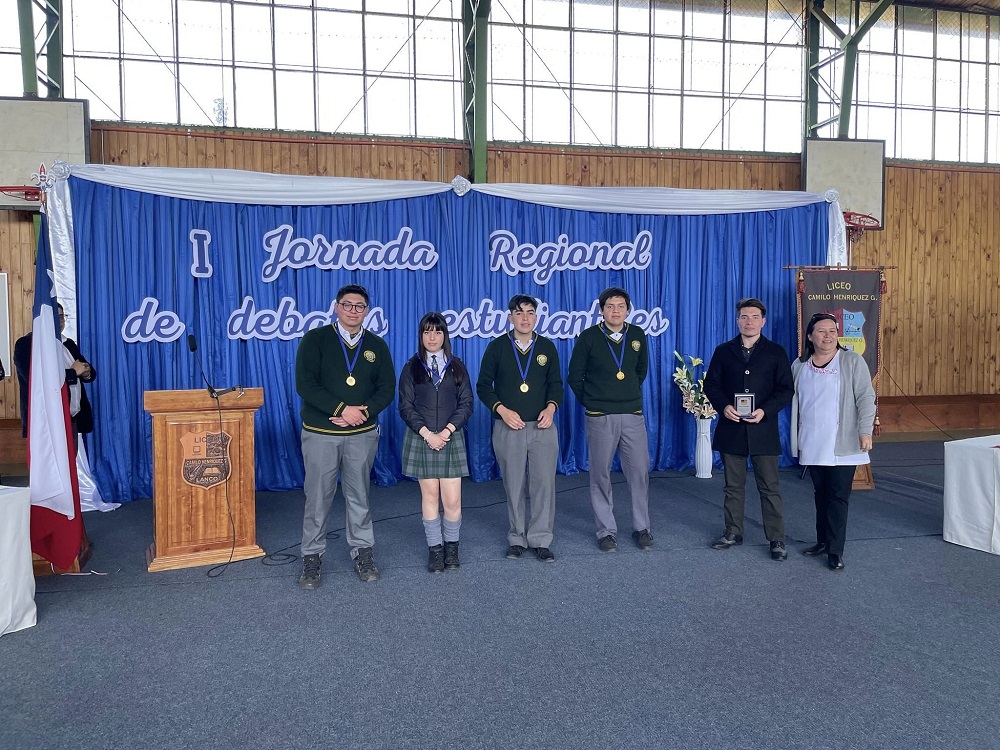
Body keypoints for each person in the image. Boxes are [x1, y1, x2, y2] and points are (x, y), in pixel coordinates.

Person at [295, 284, 395, 589]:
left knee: (359, 495)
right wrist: (340, 409)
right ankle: (312, 557)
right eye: (347, 305)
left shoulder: (376, 345)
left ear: (367, 311)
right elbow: (305, 384)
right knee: (318, 497)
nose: (353, 310)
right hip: (321, 433)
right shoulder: (316, 339)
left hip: (361, 434)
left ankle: (363, 552)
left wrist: (359, 413)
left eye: (359, 306)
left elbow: (386, 388)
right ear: (336, 307)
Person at [704, 297, 793, 561]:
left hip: (763, 429)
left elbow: (786, 389)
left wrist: (765, 410)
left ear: (763, 321)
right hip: (732, 429)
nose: (749, 321)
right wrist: (724, 407)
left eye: (755, 317)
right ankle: (733, 531)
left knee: (770, 487)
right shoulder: (723, 351)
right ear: (737, 320)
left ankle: (776, 538)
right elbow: (712, 385)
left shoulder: (776, 352)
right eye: (744, 316)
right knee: (733, 486)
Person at [476, 294, 563, 562]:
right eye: (519, 312)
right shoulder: (497, 347)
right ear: (510, 316)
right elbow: (482, 386)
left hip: (542, 427)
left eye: (529, 313)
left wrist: (550, 409)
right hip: (508, 427)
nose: (524, 318)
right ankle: (516, 537)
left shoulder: (547, 348)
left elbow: (556, 385)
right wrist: (501, 409)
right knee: (513, 483)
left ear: (536, 317)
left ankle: (540, 538)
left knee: (543, 484)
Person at [567, 286, 652, 552]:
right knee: (600, 474)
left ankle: (642, 528)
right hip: (600, 416)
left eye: (621, 306)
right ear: (601, 309)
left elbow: (641, 371)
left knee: (639, 472)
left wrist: (625, 396)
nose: (616, 311)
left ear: (628, 309)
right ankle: (606, 531)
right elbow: (574, 376)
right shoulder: (589, 337)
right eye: (610, 306)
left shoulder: (637, 335)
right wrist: (594, 402)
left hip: (632, 414)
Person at [791, 313, 876, 572]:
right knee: (820, 494)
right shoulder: (799, 365)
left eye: (832, 331)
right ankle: (822, 541)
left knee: (838, 496)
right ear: (810, 336)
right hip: (813, 441)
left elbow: (865, 397)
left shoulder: (851, 360)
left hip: (844, 442)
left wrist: (865, 431)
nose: (827, 336)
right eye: (821, 331)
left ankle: (835, 550)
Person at [398, 312, 474, 573]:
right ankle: (435, 550)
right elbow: (406, 407)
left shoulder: (457, 365)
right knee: (430, 497)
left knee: (452, 501)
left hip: (451, 438)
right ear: (421, 335)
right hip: (423, 438)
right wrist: (428, 434)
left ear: (445, 335)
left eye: (438, 332)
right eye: (427, 332)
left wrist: (447, 431)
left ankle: (452, 548)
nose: (432, 337)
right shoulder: (412, 367)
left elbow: (466, 404)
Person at [13, 303, 96, 445]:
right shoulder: (26, 345)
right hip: (45, 422)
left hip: (72, 419)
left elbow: (90, 374)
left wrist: (86, 372)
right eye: (55, 317)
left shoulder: (68, 343)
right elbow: (36, 380)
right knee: (49, 466)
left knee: (70, 463)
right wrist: (73, 373)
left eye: (62, 316)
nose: (60, 321)